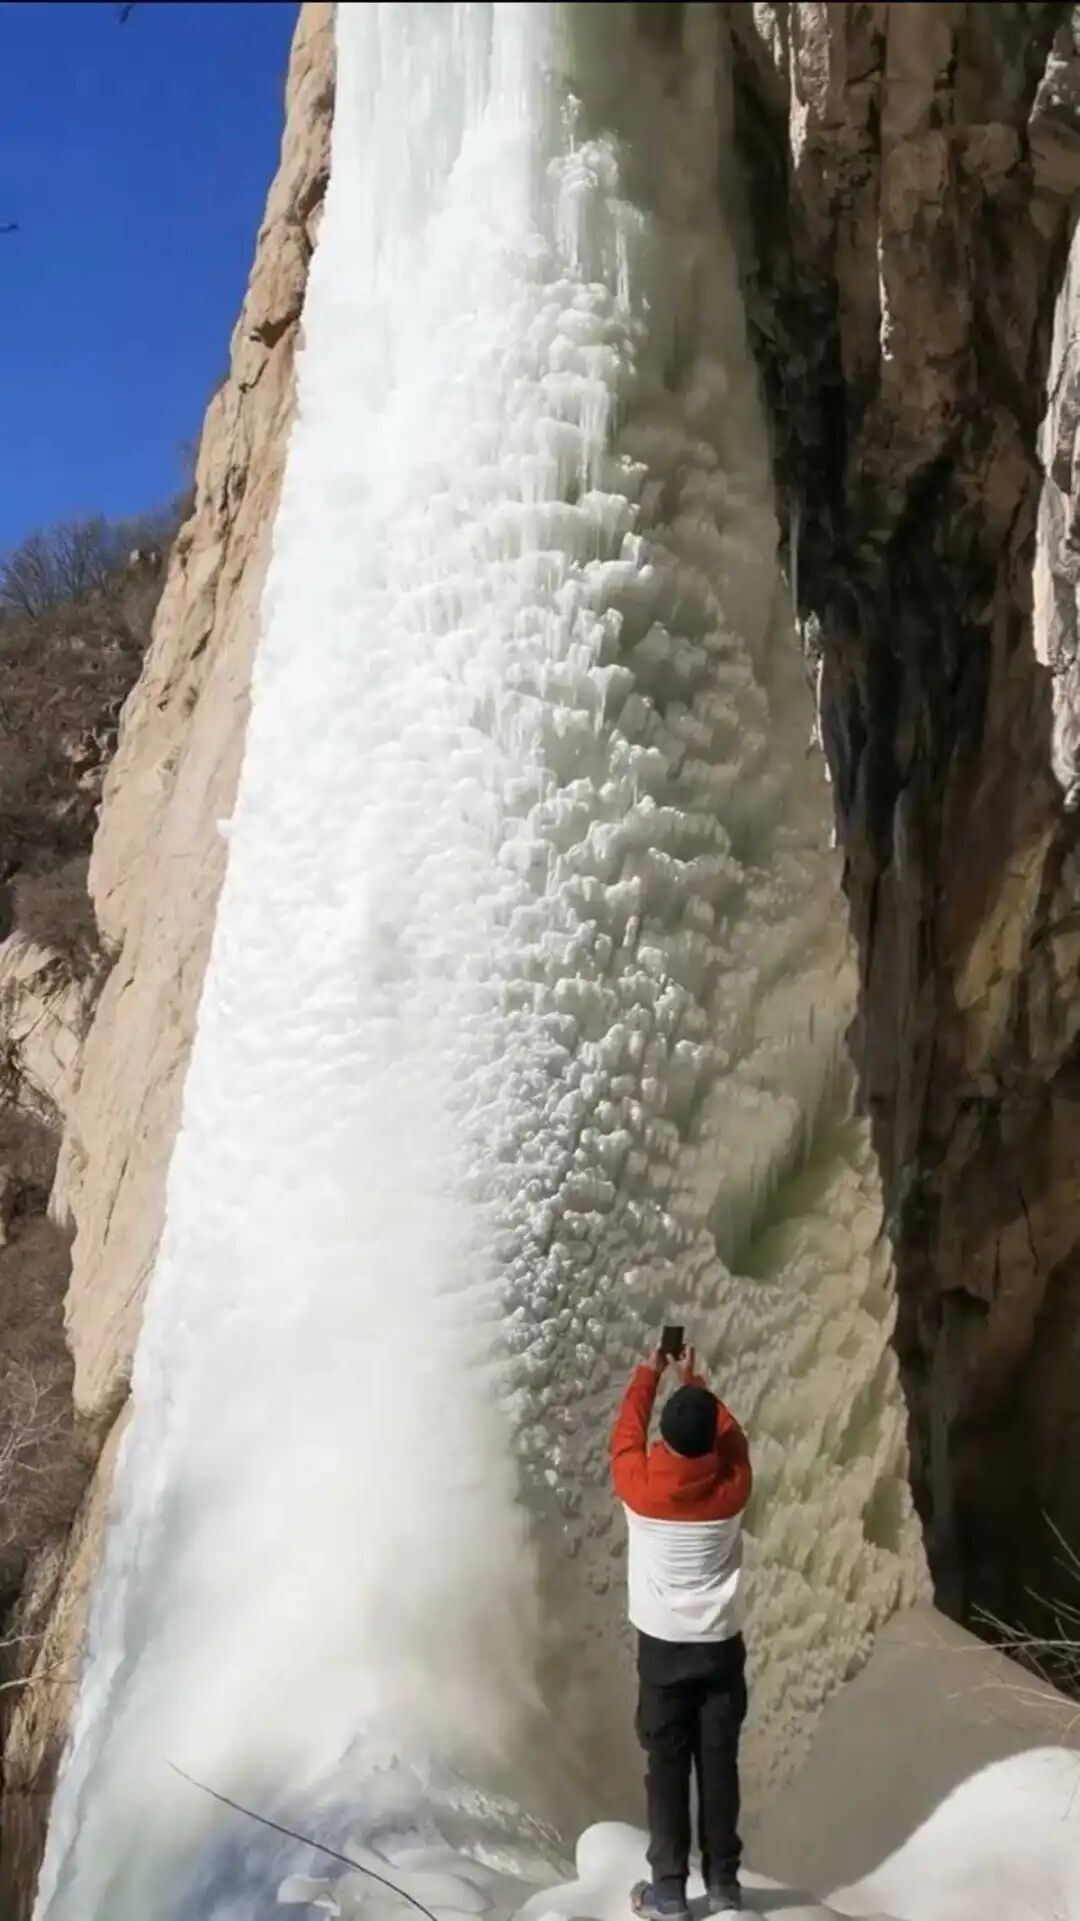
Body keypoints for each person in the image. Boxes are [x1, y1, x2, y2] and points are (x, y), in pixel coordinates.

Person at [611, 1342, 752, 1919]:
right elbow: (735, 1439)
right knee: (717, 1765)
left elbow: (625, 1434)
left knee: (666, 1765)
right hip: (719, 1648)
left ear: (663, 1443)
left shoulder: (640, 1487)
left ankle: (668, 1888)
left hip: (664, 1651)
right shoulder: (733, 1486)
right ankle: (723, 1883)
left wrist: (652, 1372)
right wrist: (700, 1388)